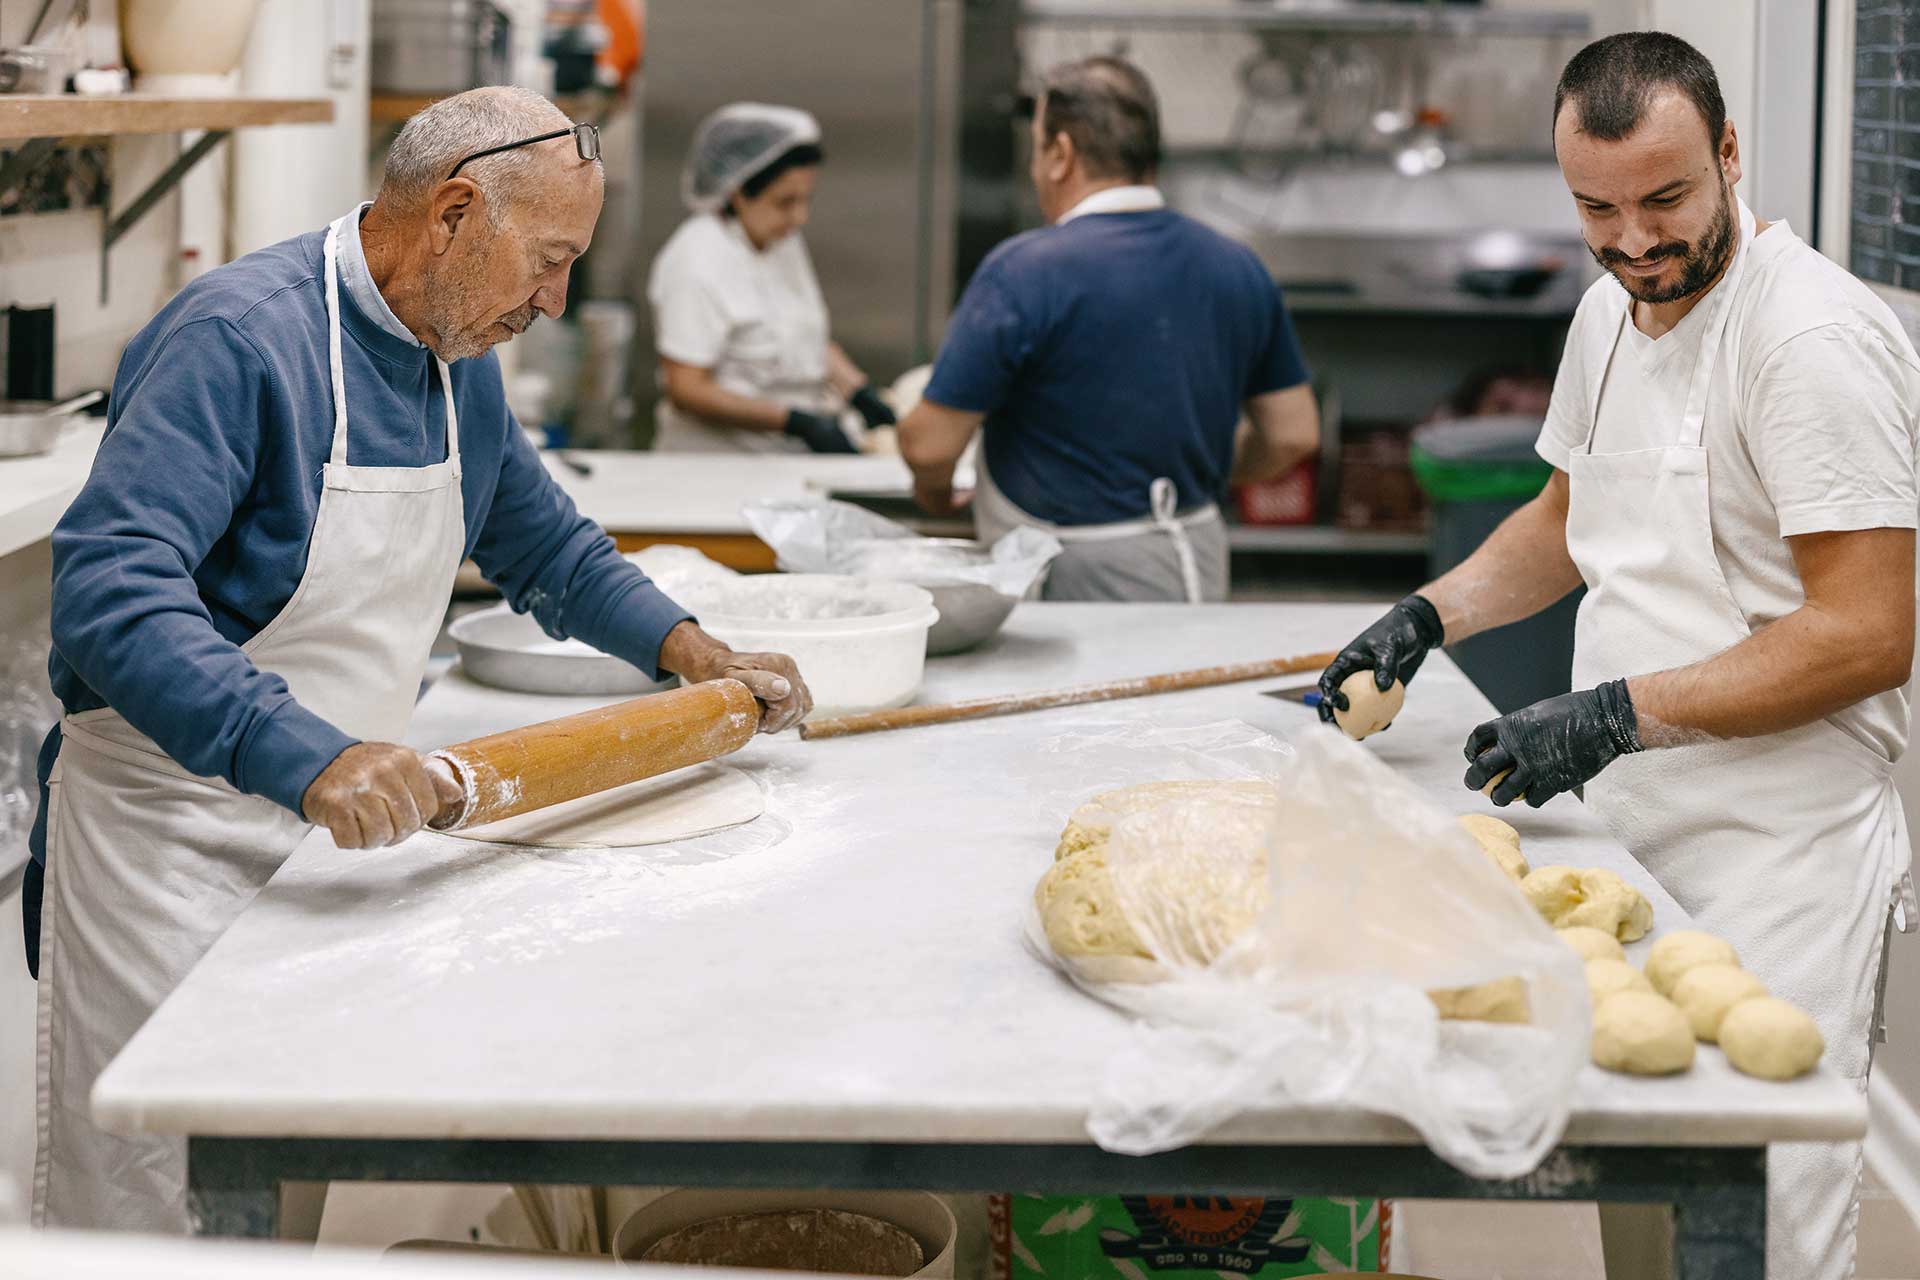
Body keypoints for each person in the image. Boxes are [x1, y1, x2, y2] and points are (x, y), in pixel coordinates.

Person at [26, 86, 813, 1233]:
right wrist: (300, 751)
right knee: (167, 1214)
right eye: (546, 262)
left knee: (285, 1185)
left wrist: (689, 649)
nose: (553, 300)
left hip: (340, 829)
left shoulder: (455, 355)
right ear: (452, 214)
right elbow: (105, 592)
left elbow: (542, 539)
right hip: (175, 842)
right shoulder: (241, 340)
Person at [1317, 33, 1918, 1279]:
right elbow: (1567, 518)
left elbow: (1868, 629)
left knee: (1756, 1230)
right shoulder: (1609, 312)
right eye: (1597, 207)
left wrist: (1609, 715)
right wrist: (1428, 616)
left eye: (1666, 200)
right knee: (1646, 1215)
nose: (1635, 239)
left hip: (1780, 854)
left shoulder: (1805, 343)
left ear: (1731, 158)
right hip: (1637, 838)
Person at [896, 56, 1319, 603]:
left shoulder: (1026, 269)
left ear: (1060, 155)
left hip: (1069, 582)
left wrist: (932, 494)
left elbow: (929, 444)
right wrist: (1193, 471)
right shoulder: (1235, 264)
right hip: (1194, 564)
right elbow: (1293, 434)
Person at [646, 103, 894, 454]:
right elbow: (686, 388)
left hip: (784, 460)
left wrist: (859, 393)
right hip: (717, 468)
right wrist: (794, 422)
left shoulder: (780, 240)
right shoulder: (695, 261)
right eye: (785, 202)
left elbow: (801, 336)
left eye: (806, 199)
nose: (800, 216)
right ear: (737, 192)